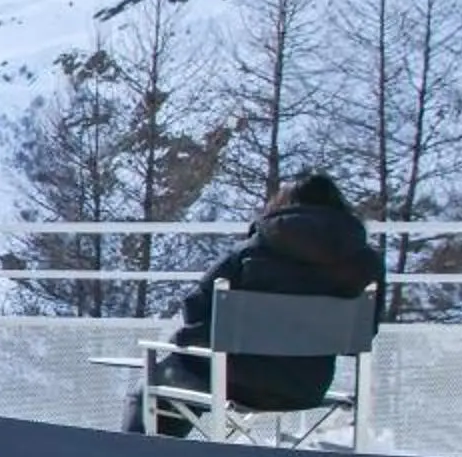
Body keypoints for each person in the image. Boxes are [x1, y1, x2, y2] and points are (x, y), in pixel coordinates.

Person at [127, 172, 384, 436]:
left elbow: (195, 306)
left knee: (161, 380)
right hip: (307, 387)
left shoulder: (251, 252)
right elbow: (364, 333)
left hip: (236, 381)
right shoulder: (367, 263)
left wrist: (191, 340)